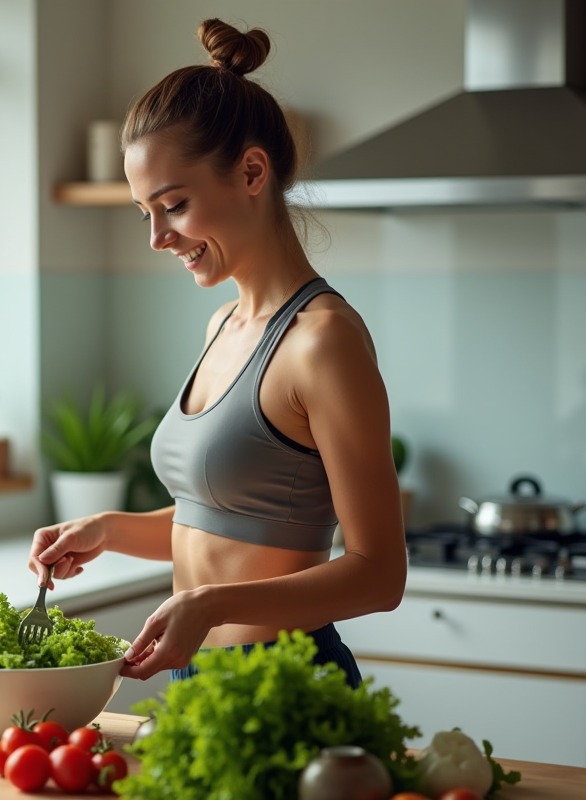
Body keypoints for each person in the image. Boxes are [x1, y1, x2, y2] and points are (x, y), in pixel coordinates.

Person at [28, 19, 406, 688]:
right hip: (197, 675)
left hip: (287, 679)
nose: (157, 237)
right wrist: (107, 529)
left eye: (173, 205)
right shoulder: (222, 327)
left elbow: (379, 575)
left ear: (253, 171)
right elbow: (232, 521)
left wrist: (209, 605)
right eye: (143, 211)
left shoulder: (324, 342)